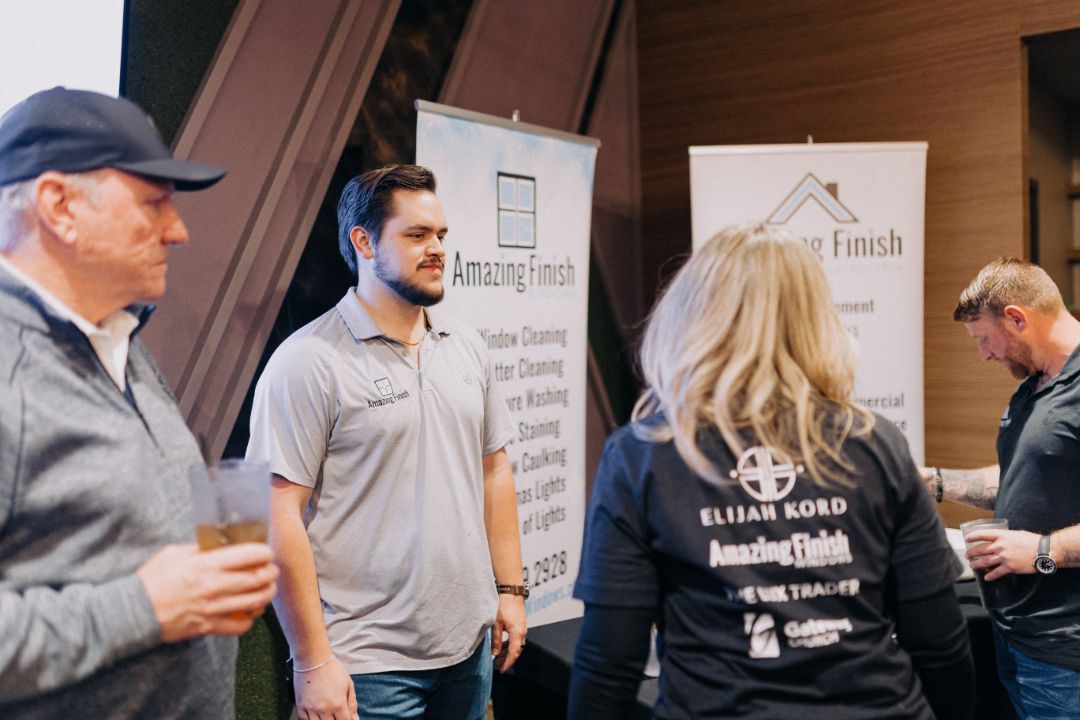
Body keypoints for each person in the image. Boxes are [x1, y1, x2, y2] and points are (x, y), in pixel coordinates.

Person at [568, 224, 974, 720]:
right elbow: (939, 642)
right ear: (815, 321)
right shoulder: (875, 443)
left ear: (692, 316)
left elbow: (610, 662)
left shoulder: (642, 455)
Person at [0, 87, 278, 718]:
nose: (177, 231)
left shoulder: (124, 341)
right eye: (154, 204)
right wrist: (144, 608)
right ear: (59, 206)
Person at [247, 164, 526, 720]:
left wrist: (511, 591)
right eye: (417, 235)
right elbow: (275, 510)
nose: (438, 249)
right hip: (365, 666)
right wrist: (312, 661)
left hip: (468, 648)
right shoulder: (307, 361)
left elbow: (495, 470)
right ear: (363, 242)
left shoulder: (467, 347)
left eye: (441, 235)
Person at [924, 257, 1080, 717]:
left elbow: (1040, 549)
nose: (985, 355)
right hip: (1017, 634)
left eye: (984, 339)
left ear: (1016, 317)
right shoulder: (1034, 385)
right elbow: (1021, 474)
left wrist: (1041, 551)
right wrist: (933, 482)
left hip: (1066, 649)